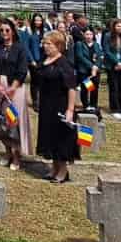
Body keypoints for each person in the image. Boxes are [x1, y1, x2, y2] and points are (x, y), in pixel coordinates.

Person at [33, 31, 79, 184]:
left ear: (58, 46)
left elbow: (71, 88)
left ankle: (63, 171)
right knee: (49, 136)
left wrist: (70, 110)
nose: (45, 46)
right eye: (44, 43)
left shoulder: (64, 63)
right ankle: (54, 167)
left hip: (60, 104)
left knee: (61, 138)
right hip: (47, 105)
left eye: (49, 44)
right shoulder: (45, 60)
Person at [0, 22, 29, 171]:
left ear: (12, 31)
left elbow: (22, 70)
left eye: (7, 30)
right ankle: (7, 151)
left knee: (13, 121)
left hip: (15, 87)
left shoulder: (20, 48)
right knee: (1, 121)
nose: (4, 33)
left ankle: (17, 156)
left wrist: (12, 88)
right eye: (2, 30)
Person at [103, 20, 121, 119]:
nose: (120, 28)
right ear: (114, 27)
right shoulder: (107, 36)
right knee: (114, 87)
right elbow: (106, 50)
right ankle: (114, 108)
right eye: (118, 26)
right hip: (112, 65)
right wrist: (116, 62)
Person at [72, 26, 100, 118]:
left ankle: (93, 104)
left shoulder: (96, 44)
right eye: (87, 34)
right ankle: (86, 104)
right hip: (84, 71)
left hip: (95, 71)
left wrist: (96, 66)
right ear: (83, 35)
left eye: (90, 34)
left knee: (94, 88)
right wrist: (91, 66)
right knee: (87, 88)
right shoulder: (79, 44)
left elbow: (100, 56)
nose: (89, 36)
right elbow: (80, 57)